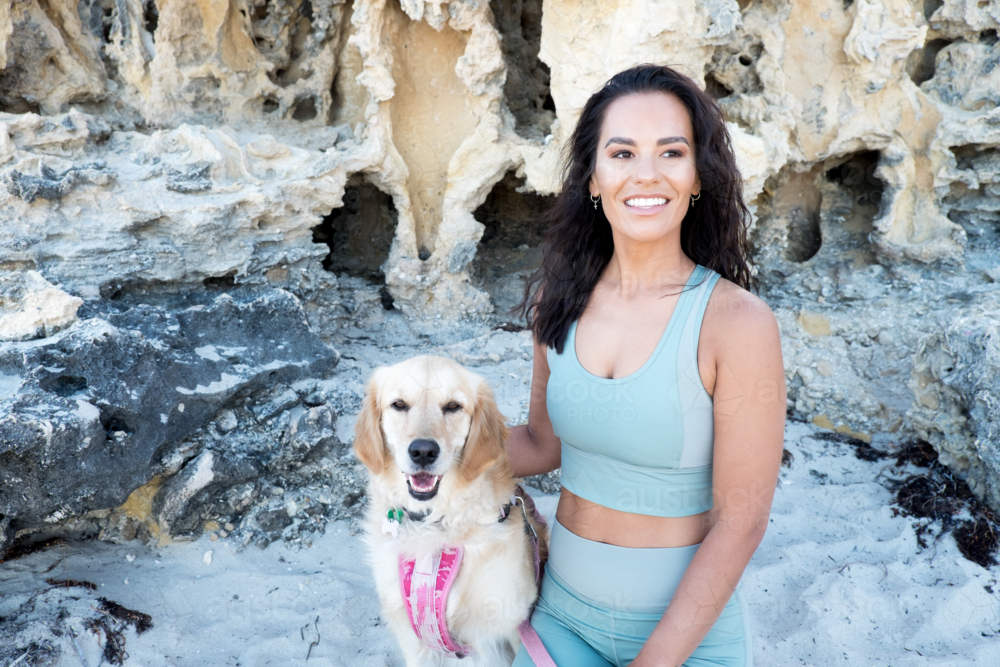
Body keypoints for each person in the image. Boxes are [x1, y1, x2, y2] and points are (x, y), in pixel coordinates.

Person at [507, 64, 786, 667]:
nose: (646, 174)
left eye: (672, 152)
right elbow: (538, 444)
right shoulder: (559, 299)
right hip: (559, 621)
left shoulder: (738, 323)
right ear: (593, 177)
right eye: (623, 152)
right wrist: (426, 444)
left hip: (685, 645)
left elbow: (741, 523)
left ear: (696, 178)